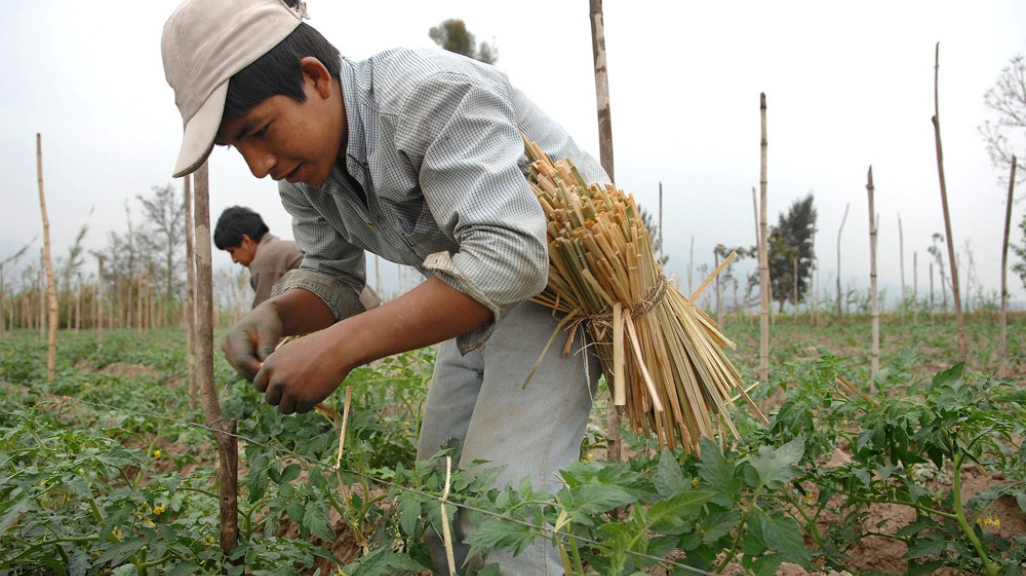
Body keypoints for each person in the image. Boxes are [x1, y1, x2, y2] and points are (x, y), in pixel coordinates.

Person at [162, 0, 608, 573]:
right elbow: (332, 277)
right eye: (237, 147)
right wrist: (275, 317)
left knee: (504, 520)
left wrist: (342, 346)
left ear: (315, 78)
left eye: (258, 131)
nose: (259, 164)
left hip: (560, 301)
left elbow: (512, 256)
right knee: (434, 507)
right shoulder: (305, 173)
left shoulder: (426, 94)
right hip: (469, 304)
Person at [213, 205, 380, 310]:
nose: (234, 260)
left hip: (354, 313)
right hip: (365, 305)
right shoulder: (275, 249)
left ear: (246, 241)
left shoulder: (264, 261)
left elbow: (266, 318)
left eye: (232, 251)